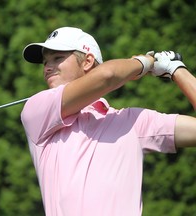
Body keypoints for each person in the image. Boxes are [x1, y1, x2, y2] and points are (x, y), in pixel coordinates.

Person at [20, 26, 196, 216]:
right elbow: (107, 75)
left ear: (87, 61)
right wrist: (146, 62)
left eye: (57, 58)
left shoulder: (133, 122)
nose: (47, 67)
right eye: (45, 62)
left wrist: (176, 69)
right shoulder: (37, 110)